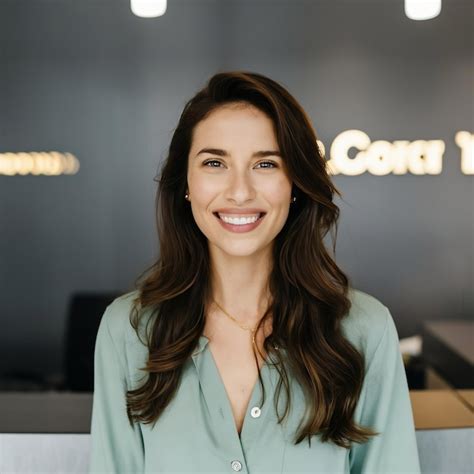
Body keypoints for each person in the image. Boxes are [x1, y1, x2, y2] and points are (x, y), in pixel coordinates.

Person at [89, 71, 421, 473]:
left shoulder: (364, 330)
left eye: (265, 163)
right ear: (186, 183)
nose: (240, 191)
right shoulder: (128, 330)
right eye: (215, 162)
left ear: (294, 183)